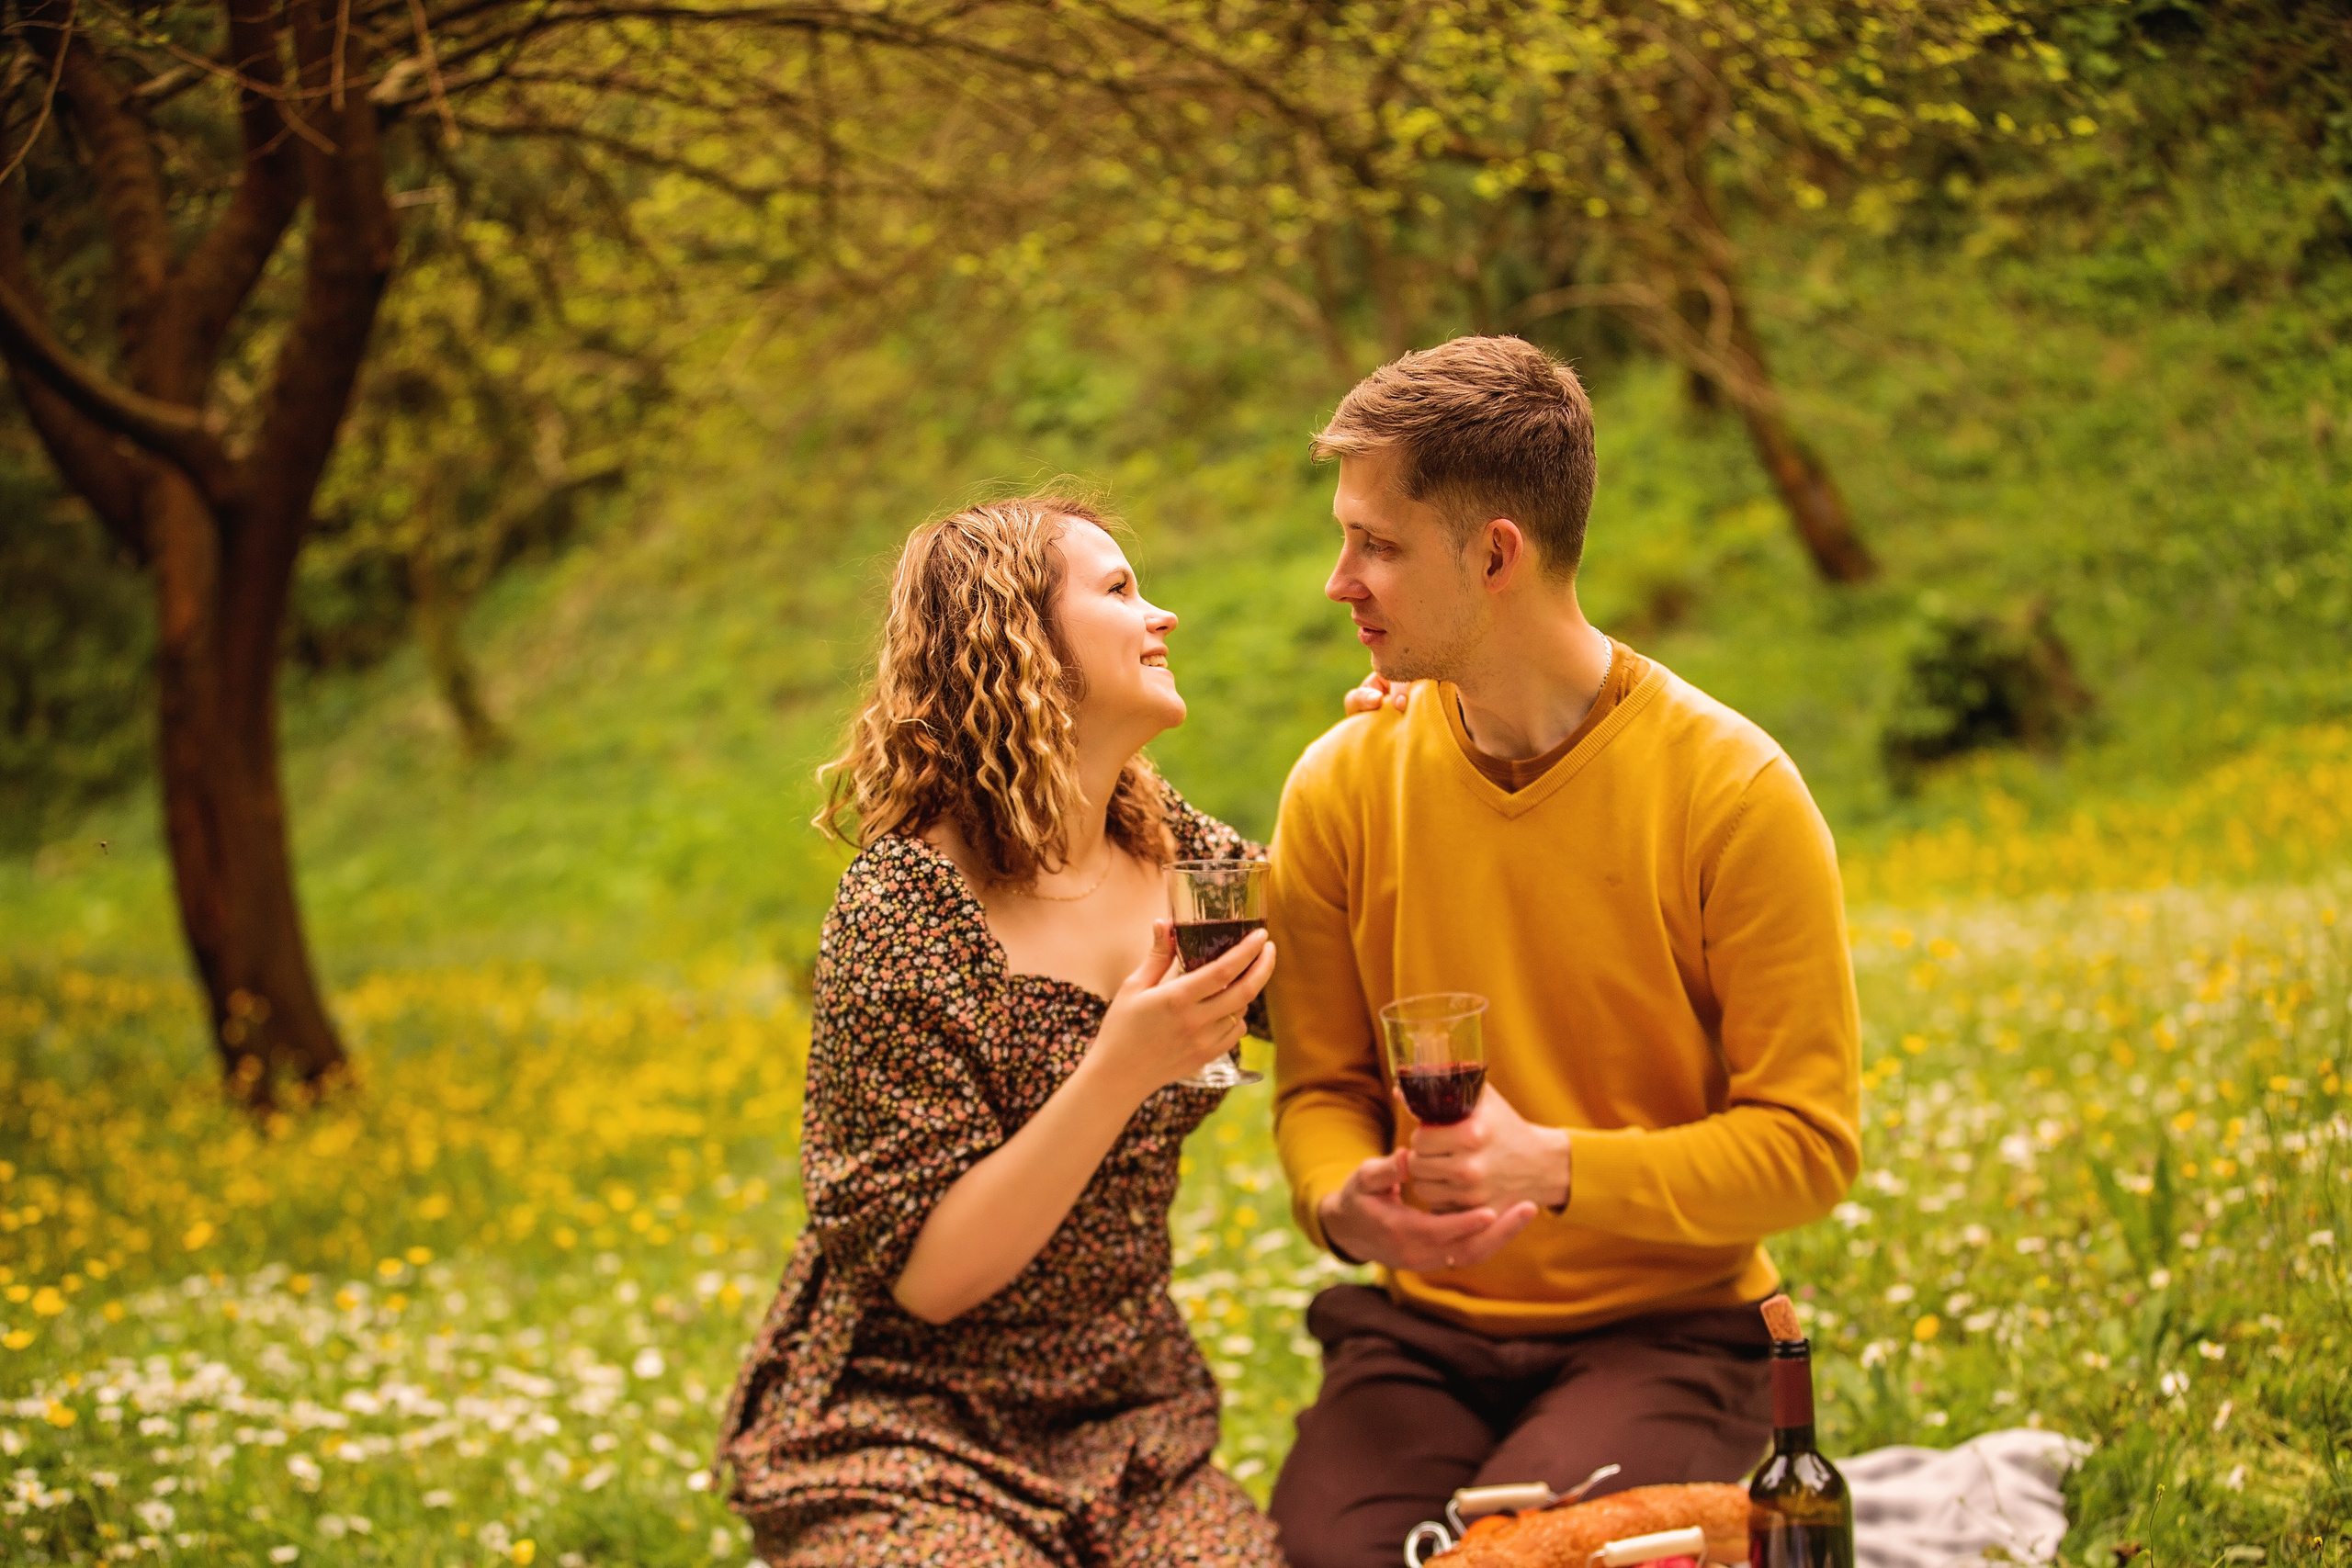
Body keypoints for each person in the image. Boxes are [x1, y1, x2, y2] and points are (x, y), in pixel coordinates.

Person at [1264, 336, 1863, 1568]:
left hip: (1673, 1332)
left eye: (1376, 543)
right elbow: (1320, 1087)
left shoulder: (1732, 790)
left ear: (1495, 553)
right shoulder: (1339, 784)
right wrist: (1346, 1206)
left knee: (1523, 1564)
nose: (1339, 581)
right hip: (1418, 1341)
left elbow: (1807, 1149)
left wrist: (1552, 1167)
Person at [715, 496, 1284, 1567]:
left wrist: (1395, 762)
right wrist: (1119, 1070)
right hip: (907, 1425)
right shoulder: (907, 905)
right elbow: (929, 1279)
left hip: (1125, 1425)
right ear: (1021, 643)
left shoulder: (1178, 854)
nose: (1162, 615)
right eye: (1119, 590)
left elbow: (1343, 982)